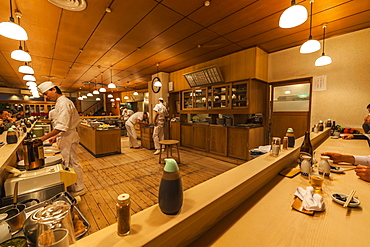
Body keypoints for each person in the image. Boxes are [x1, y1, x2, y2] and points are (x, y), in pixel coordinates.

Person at [37, 81, 85, 197]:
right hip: (65, 135)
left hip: (68, 137)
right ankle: (73, 186)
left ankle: (79, 188)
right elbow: (62, 125)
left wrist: (43, 138)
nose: (46, 97)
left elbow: (62, 126)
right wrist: (55, 136)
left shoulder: (63, 102)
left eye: (46, 93)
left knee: (72, 163)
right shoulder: (60, 103)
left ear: (54, 89)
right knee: (69, 162)